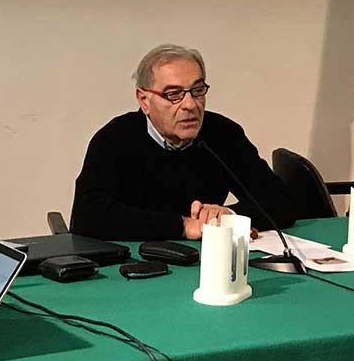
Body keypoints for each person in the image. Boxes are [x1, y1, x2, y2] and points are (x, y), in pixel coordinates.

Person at [70, 43, 296, 241]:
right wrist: (183, 226)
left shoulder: (223, 134)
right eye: (173, 94)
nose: (190, 104)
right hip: (135, 265)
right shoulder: (115, 139)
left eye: (197, 91)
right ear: (144, 100)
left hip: (204, 262)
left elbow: (281, 201)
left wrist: (228, 216)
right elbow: (86, 216)